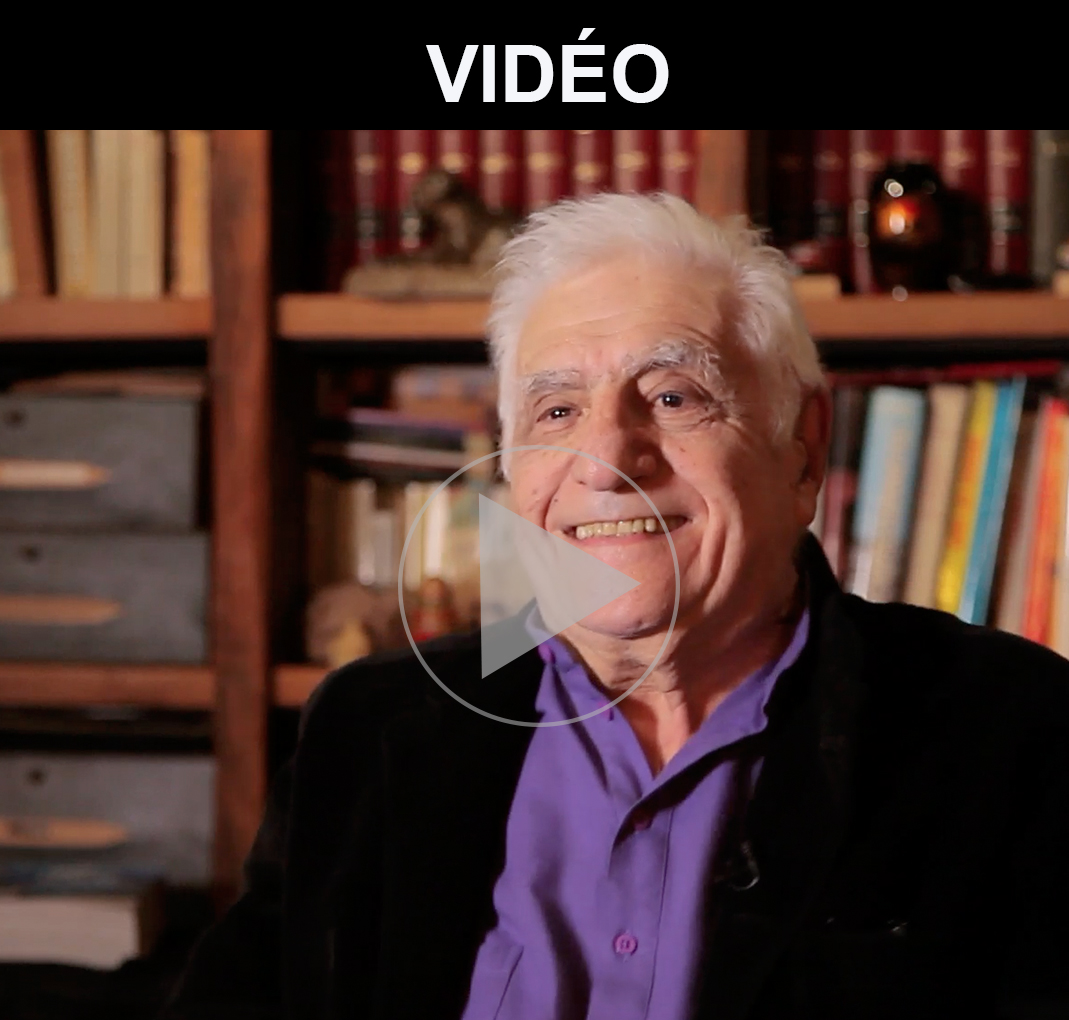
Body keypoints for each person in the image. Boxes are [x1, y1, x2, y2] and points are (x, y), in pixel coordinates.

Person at [162, 193, 1069, 1020]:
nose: (605, 462)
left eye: (672, 397)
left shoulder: (1009, 732)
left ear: (801, 448)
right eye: (556, 412)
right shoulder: (369, 730)